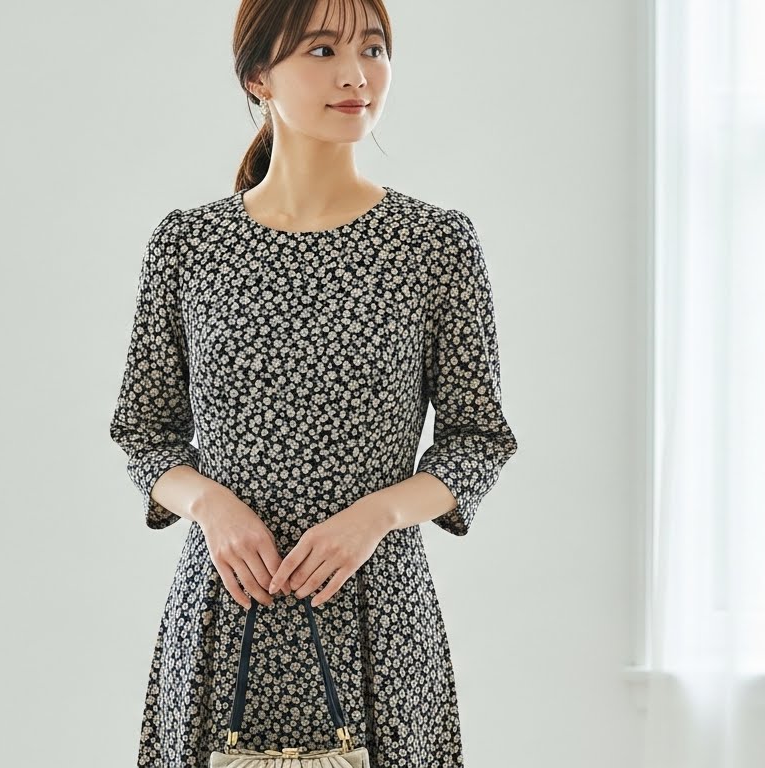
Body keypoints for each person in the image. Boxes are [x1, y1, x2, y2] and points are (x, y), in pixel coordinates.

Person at [108, 0, 518, 765]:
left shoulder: (433, 244)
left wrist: (376, 516)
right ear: (258, 76)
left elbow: (477, 441)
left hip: (376, 618)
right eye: (323, 51)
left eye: (373, 49)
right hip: (226, 611)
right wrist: (210, 506)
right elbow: (144, 432)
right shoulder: (188, 243)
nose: (357, 75)